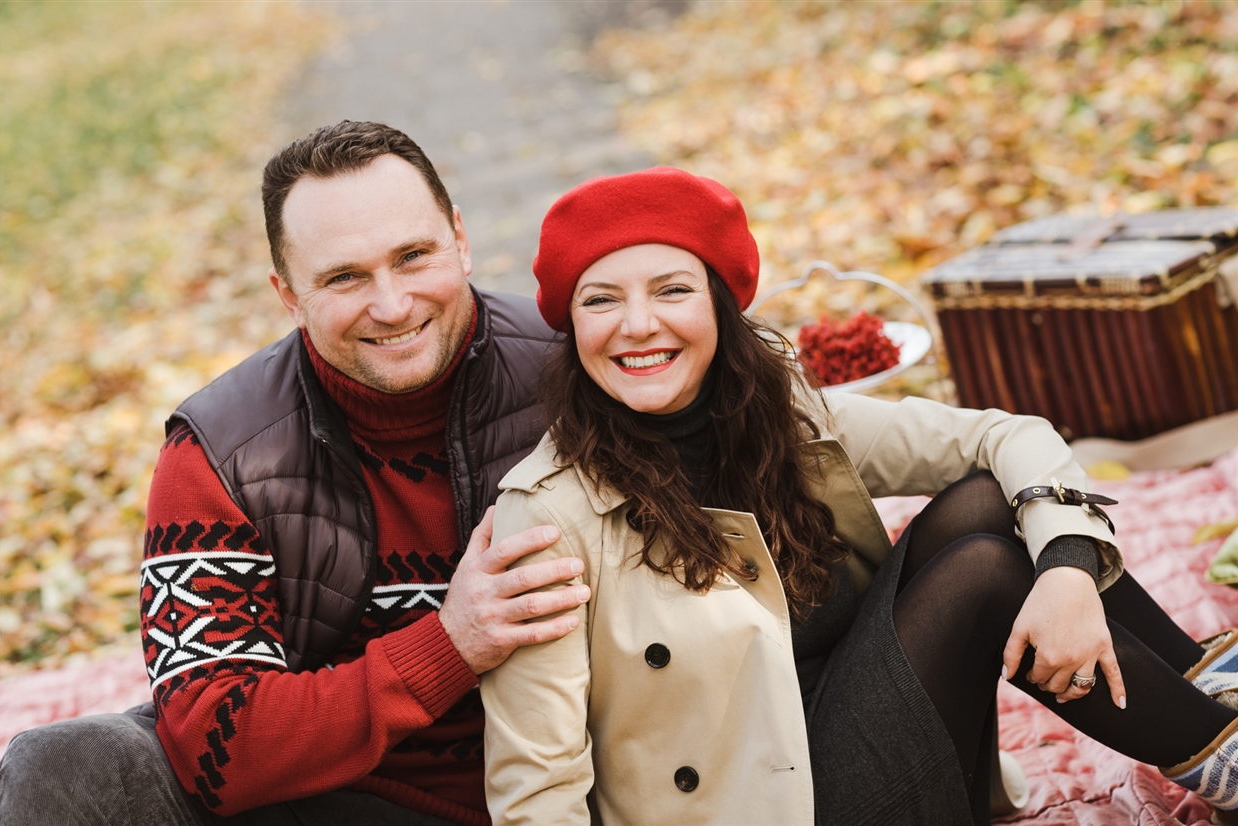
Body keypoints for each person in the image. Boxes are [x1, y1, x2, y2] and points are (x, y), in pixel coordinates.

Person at [480, 167, 1238, 826]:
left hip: (862, 733)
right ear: (568, 324)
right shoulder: (547, 513)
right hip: (762, 810)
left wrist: (1070, 566)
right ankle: (1223, 756)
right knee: (986, 574)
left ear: (718, 303)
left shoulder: (779, 415)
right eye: (600, 300)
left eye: (672, 290)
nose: (638, 325)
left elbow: (1004, 436)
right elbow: (535, 779)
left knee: (987, 501)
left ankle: (1213, 696)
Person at [0, 121, 590, 826]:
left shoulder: (577, 379)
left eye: (413, 256)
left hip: (577, 784)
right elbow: (214, 750)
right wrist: (450, 643)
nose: (393, 304)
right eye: (345, 277)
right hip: (335, 803)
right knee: (61, 766)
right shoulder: (220, 454)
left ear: (460, 239)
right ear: (287, 293)